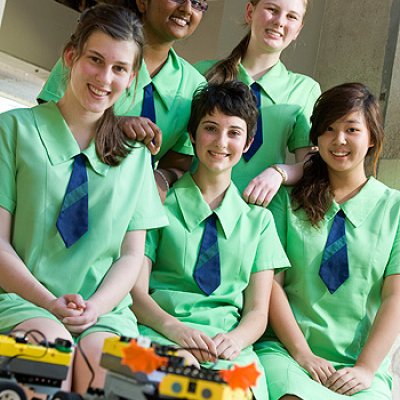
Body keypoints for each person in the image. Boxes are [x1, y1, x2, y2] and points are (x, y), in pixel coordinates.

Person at [0, 4, 167, 394]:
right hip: (23, 300)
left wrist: (96, 308)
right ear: (71, 57)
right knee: (45, 363)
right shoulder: (13, 131)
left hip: (105, 313)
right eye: (96, 60)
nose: (105, 78)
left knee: (125, 384)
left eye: (120, 68)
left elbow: (131, 256)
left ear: (132, 77)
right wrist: (49, 303)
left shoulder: (136, 156)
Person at [131, 81, 290, 400]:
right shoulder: (158, 206)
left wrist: (235, 340)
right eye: (210, 128)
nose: (221, 141)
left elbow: (258, 312)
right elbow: (135, 292)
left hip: (230, 350)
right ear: (192, 136)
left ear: (247, 144)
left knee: (225, 394)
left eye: (234, 132)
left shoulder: (259, 222)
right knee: (173, 387)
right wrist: (175, 330)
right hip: (160, 332)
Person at [255, 83, 400, 399]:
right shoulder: (286, 202)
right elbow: (273, 285)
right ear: (317, 138)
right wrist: (303, 353)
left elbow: (395, 298)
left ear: (372, 137)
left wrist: (365, 367)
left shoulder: (395, 209)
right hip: (288, 352)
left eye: (352, 129)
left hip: (359, 365)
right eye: (329, 129)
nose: (339, 140)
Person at [38, 0, 208, 200]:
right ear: (143, 2)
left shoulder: (194, 86)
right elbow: (45, 122)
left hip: (130, 207)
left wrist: (159, 179)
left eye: (198, 2)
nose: (187, 9)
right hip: (57, 188)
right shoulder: (89, 55)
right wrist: (113, 126)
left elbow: (177, 165)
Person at [195, 0, 320, 207]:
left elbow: (311, 163)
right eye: (272, 10)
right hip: (197, 206)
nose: (280, 22)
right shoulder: (202, 75)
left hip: (261, 215)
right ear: (250, 12)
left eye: (291, 17)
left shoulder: (304, 90)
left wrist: (280, 172)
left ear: (298, 29)